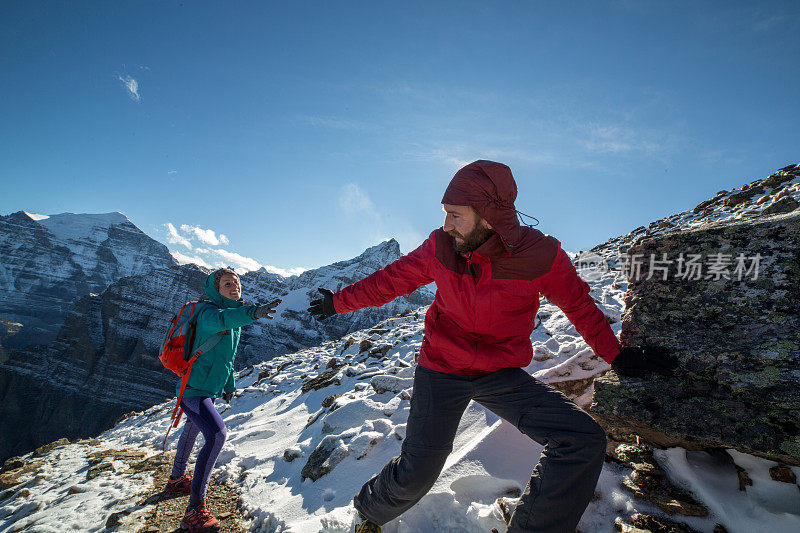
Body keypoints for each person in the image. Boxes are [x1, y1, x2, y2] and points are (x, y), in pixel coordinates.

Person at [307, 160, 677, 533]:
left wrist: (616, 355)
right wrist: (336, 303)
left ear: (488, 215)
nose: (447, 224)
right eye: (445, 215)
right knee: (417, 473)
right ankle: (369, 512)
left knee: (583, 438)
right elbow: (390, 281)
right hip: (442, 368)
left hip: (500, 373)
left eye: (456, 215)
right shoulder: (440, 246)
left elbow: (578, 305)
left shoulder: (541, 255)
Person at [165, 267, 280, 533]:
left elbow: (225, 358)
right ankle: (194, 510)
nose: (234, 286)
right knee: (216, 436)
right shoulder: (208, 314)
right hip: (193, 392)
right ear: (215, 289)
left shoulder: (230, 318)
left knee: (193, 431)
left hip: (207, 390)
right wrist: (254, 312)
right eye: (227, 283)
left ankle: (176, 479)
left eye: (236, 282)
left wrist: (228, 384)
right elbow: (225, 320)